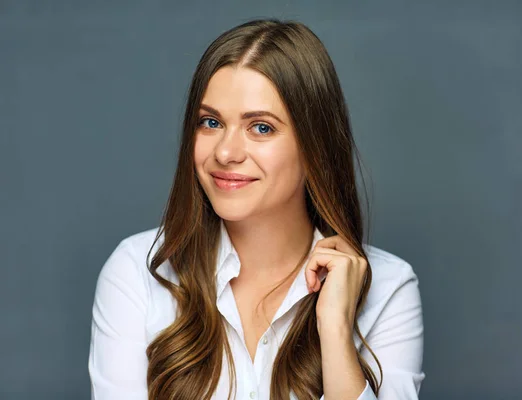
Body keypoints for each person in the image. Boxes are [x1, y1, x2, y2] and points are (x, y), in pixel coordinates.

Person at [88, 18, 425, 400]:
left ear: (315, 146)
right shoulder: (137, 272)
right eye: (211, 122)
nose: (225, 153)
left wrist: (334, 330)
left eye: (261, 127)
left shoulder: (389, 287)